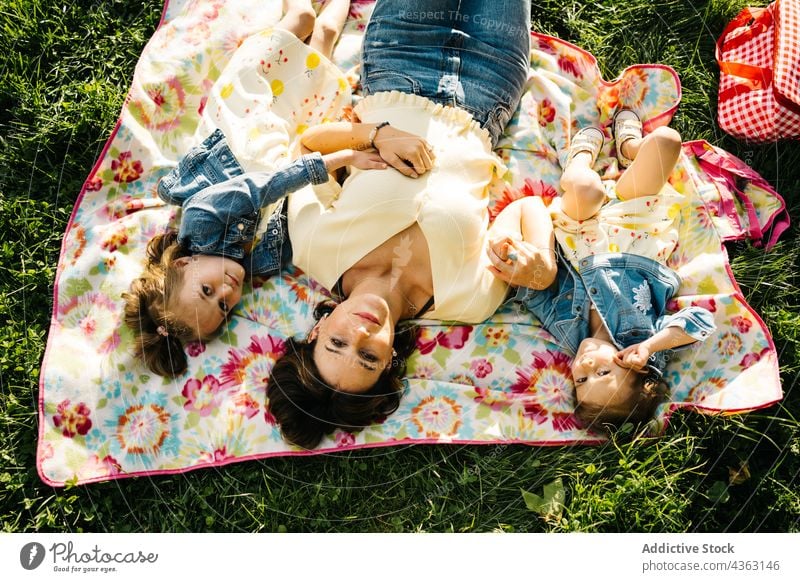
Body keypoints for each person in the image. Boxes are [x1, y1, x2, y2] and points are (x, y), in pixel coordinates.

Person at [267, 0, 557, 449]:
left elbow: (307, 146)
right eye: (366, 356)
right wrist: (542, 264)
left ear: (316, 331)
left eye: (337, 343)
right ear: (387, 363)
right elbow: (527, 211)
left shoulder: (313, 247)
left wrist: (378, 134)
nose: (359, 333)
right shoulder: (468, 300)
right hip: (489, 87)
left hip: (401, 57)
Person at [122, 0, 378, 377]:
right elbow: (307, 233)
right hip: (290, 137)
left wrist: (340, 160)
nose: (226, 293)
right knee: (323, 37)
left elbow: (263, 187)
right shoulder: (261, 263)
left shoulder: (203, 221)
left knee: (302, 20)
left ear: (183, 263)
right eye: (224, 307)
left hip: (252, 114)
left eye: (207, 291)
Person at [504, 109, 717, 430]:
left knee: (585, 189)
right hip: (636, 228)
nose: (586, 365)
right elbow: (700, 322)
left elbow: (532, 290)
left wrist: (517, 268)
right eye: (603, 373)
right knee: (667, 141)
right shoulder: (647, 334)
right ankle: (630, 146)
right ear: (640, 368)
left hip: (578, 230)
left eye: (581, 379)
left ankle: (579, 156)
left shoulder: (567, 332)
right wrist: (648, 347)